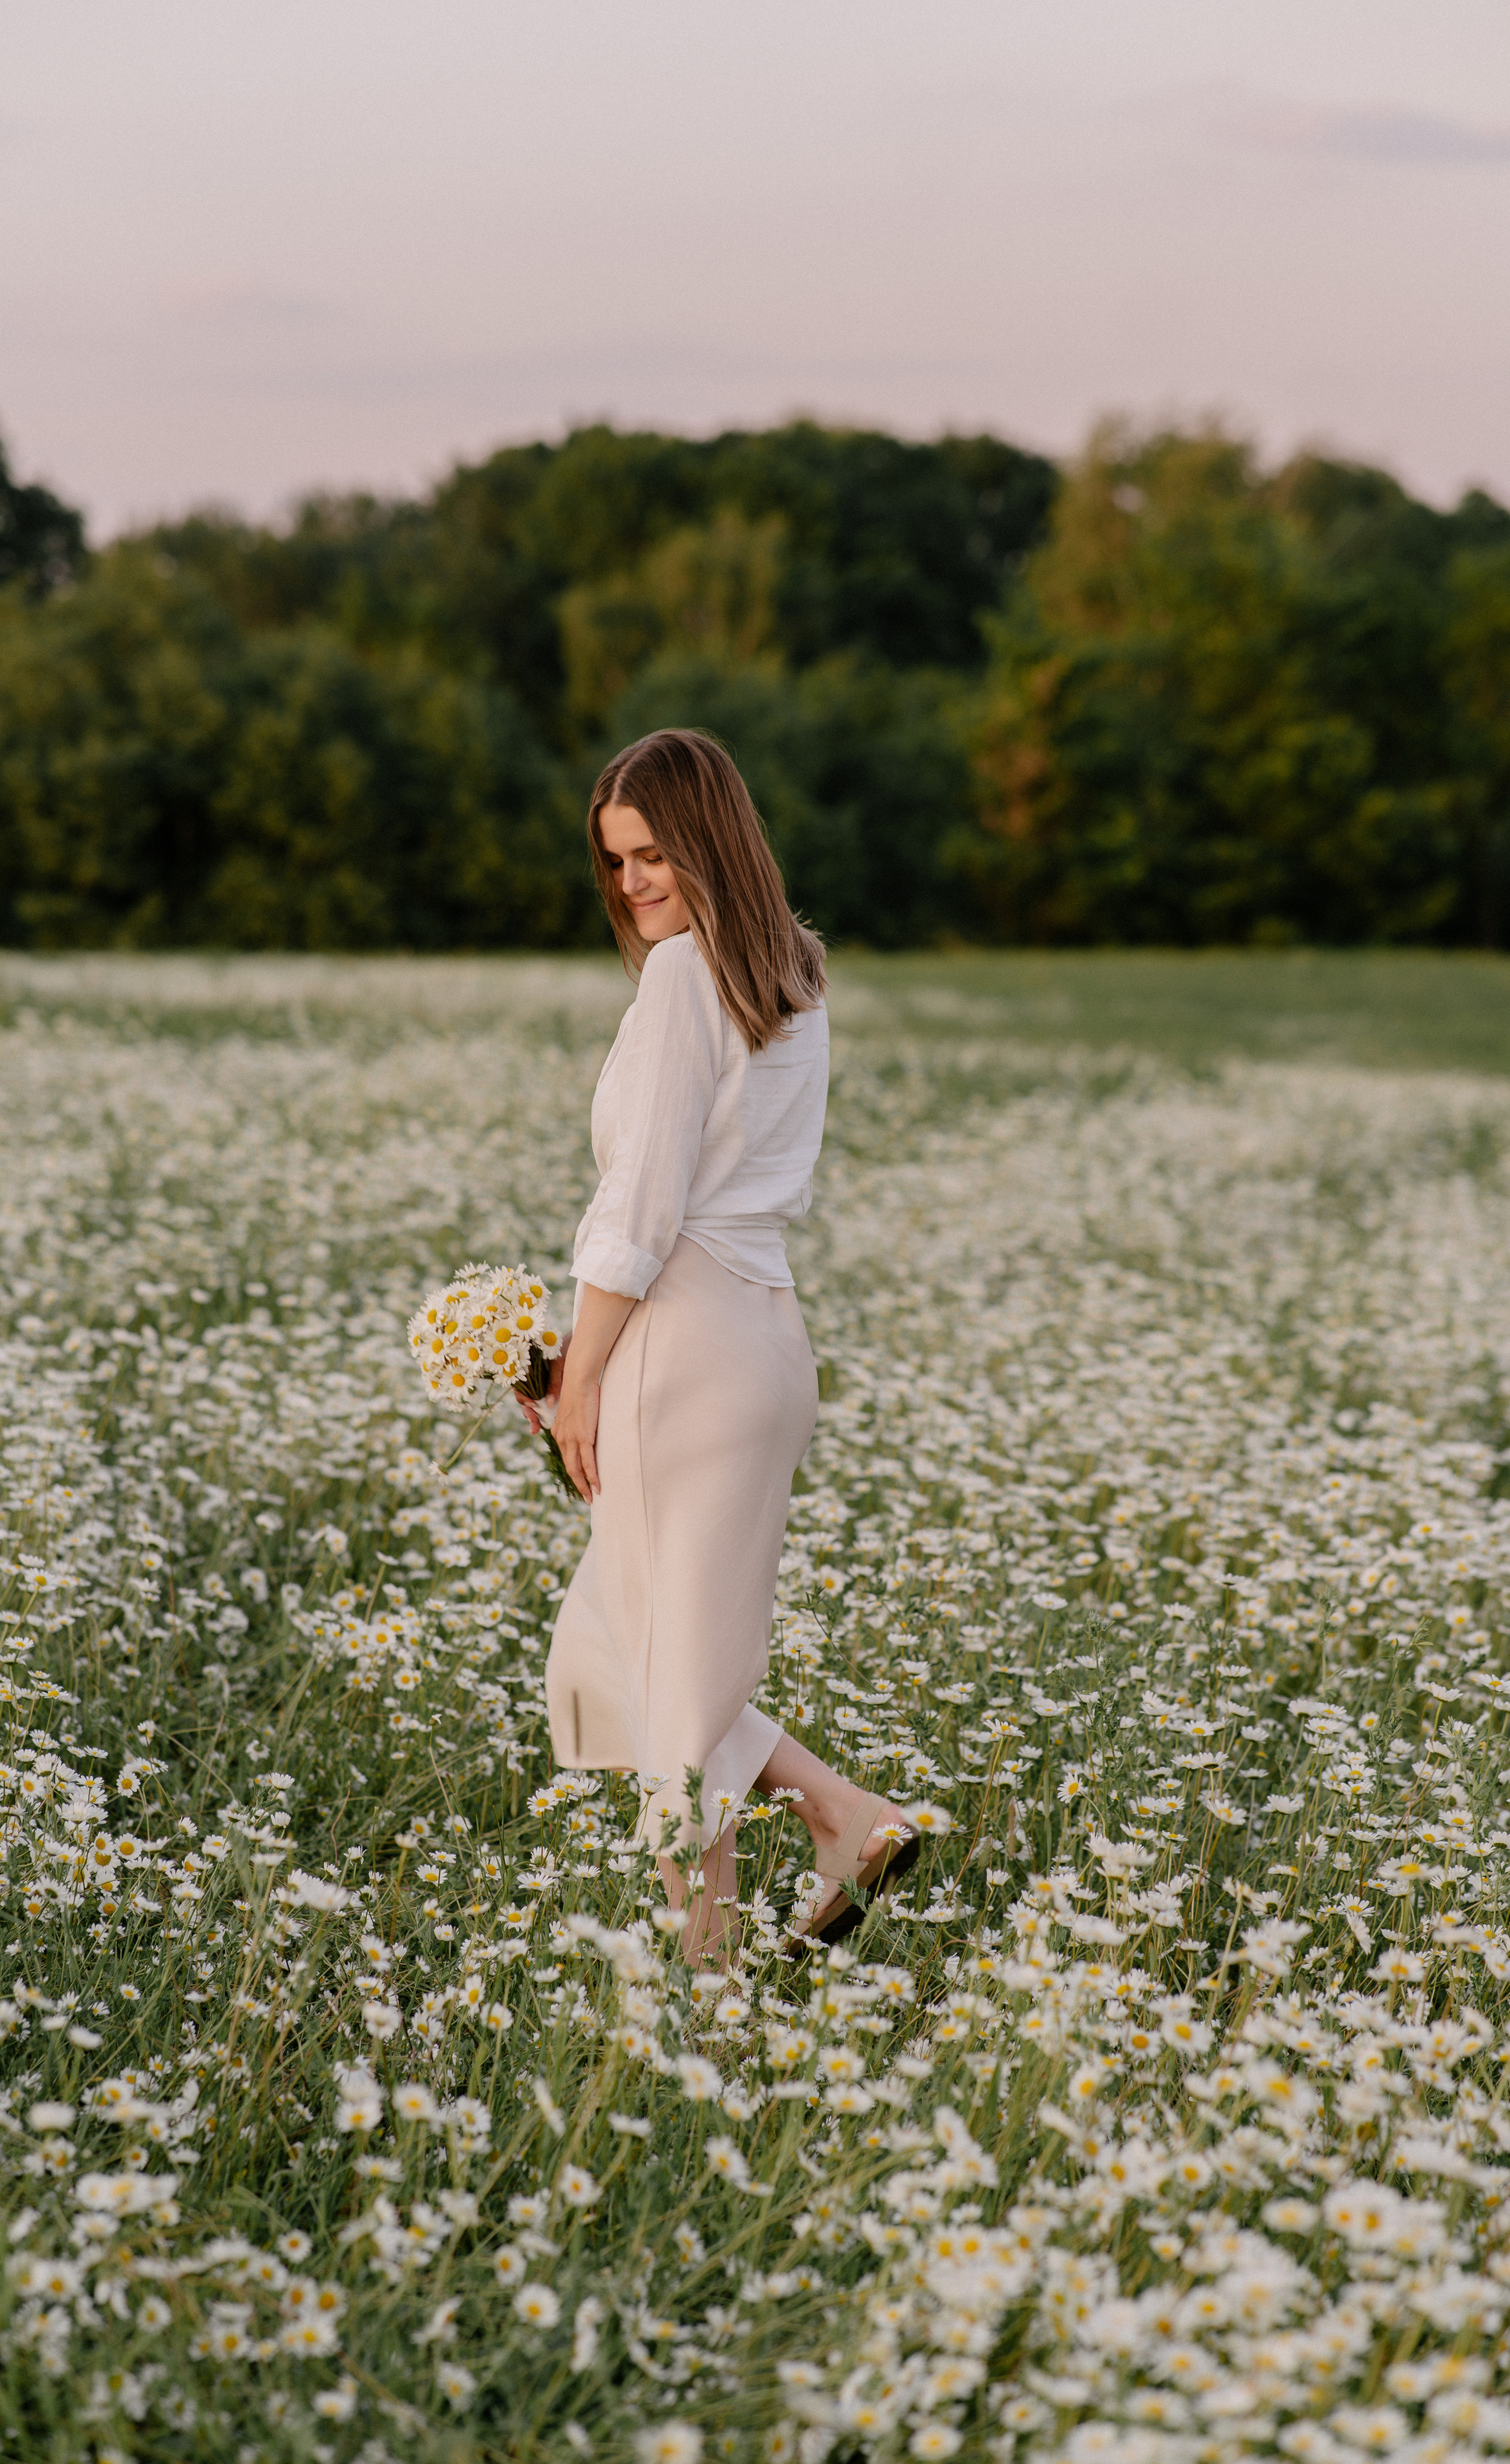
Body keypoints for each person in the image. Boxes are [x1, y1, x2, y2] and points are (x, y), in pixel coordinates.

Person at [535, 728, 916, 1964]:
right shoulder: (793, 972)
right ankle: (845, 1817)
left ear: (705, 841)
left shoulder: (683, 979)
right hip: (765, 1341)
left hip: (680, 1337)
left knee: (662, 1681)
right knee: (652, 1652)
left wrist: (576, 1375)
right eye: (618, 862)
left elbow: (641, 1203)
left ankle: (703, 1979)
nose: (635, 882)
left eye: (653, 854)